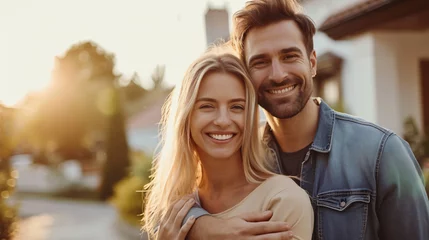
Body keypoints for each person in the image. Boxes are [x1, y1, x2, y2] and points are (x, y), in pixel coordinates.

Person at [184, 0, 429, 240]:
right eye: (260, 62)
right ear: (246, 75)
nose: (278, 74)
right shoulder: (239, 156)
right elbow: (180, 197)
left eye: (289, 56)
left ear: (312, 63)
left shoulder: (382, 153)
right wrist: (201, 225)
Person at [143, 44, 314, 240]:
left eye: (236, 107)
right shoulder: (177, 207)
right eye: (207, 106)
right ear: (186, 117)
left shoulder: (283, 200)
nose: (223, 120)